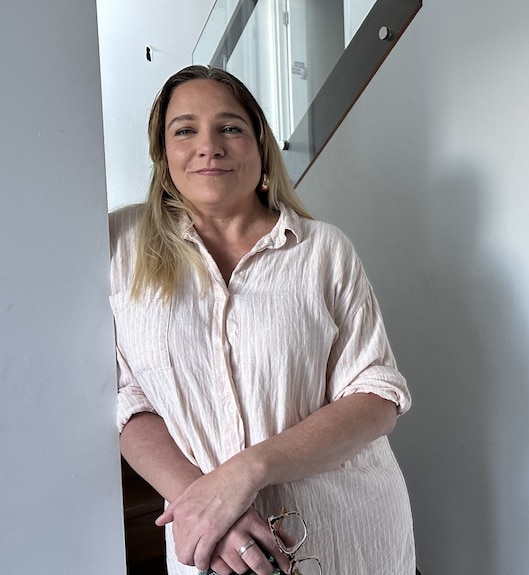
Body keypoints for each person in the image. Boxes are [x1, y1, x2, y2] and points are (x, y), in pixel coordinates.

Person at [110, 65, 415, 575]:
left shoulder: (323, 250)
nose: (210, 146)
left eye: (230, 127)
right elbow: (125, 401)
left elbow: (378, 398)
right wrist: (206, 502)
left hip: (349, 534)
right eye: (184, 130)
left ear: (260, 146)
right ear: (162, 154)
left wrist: (246, 473)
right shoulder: (119, 246)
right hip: (215, 547)